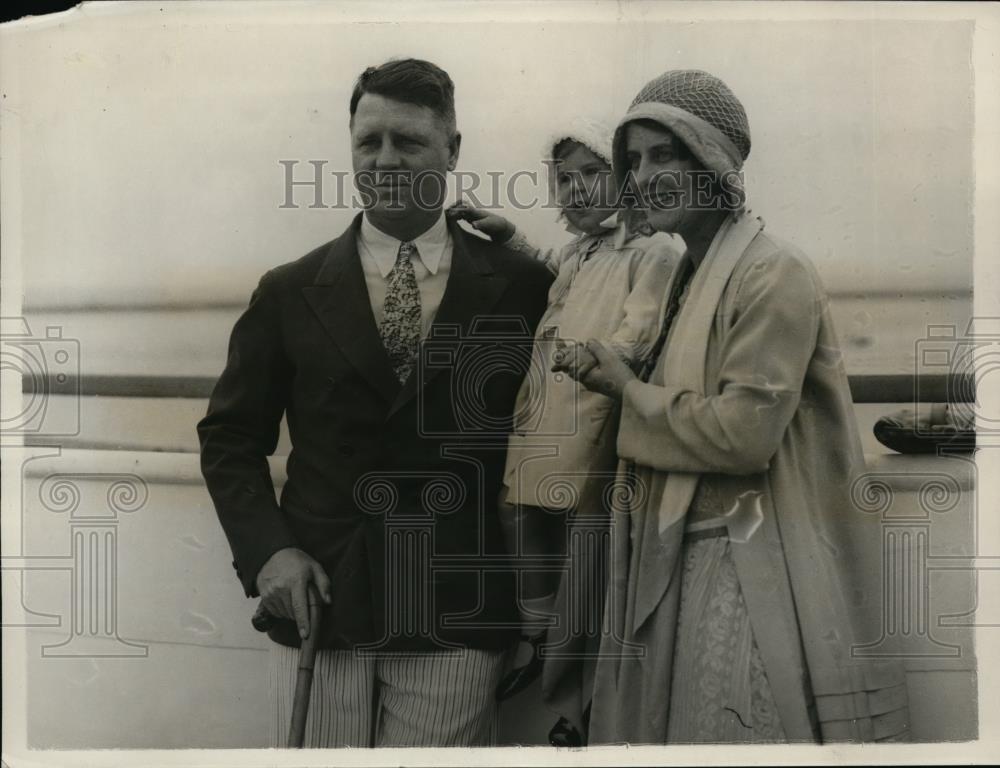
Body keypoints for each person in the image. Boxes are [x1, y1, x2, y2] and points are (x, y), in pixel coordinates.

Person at [197, 58, 553, 748]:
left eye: (409, 141)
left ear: (453, 150)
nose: (386, 159)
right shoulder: (288, 289)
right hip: (323, 606)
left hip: (459, 611)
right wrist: (269, 556)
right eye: (369, 142)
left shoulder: (522, 284)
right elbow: (230, 438)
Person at [558, 70, 911, 743]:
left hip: (747, 569)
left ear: (713, 161)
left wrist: (627, 392)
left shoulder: (774, 272)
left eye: (665, 155)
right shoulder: (677, 276)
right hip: (680, 561)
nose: (643, 176)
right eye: (633, 160)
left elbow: (746, 434)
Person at [449, 118, 678, 739]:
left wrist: (607, 357)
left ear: (627, 178)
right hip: (541, 410)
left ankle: (574, 698)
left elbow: (641, 323)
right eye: (565, 180)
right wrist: (510, 235)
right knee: (516, 509)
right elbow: (552, 267)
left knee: (586, 553)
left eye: (593, 174)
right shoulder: (584, 251)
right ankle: (535, 629)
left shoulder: (653, 249)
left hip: (591, 410)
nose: (577, 190)